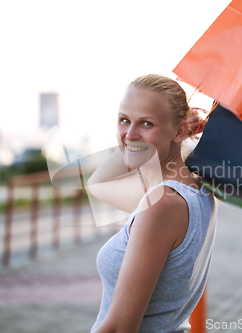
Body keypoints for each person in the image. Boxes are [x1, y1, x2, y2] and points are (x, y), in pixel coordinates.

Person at [90, 74, 218, 333]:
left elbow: (120, 328)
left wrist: (132, 140)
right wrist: (133, 141)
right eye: (124, 120)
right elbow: (98, 184)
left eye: (146, 123)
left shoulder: (161, 205)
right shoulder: (195, 190)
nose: (130, 133)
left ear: (180, 130)